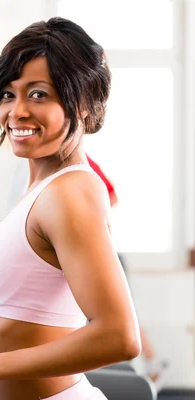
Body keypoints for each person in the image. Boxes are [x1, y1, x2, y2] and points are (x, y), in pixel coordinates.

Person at [0, 18, 141, 399]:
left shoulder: (70, 191)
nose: (17, 111)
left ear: (83, 103)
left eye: (39, 94)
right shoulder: (40, 191)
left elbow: (120, 337)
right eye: (8, 94)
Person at [86, 155, 171, 387]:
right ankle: (153, 363)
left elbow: (112, 197)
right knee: (119, 310)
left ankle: (153, 362)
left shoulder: (80, 161)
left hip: (102, 250)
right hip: (100, 249)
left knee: (117, 312)